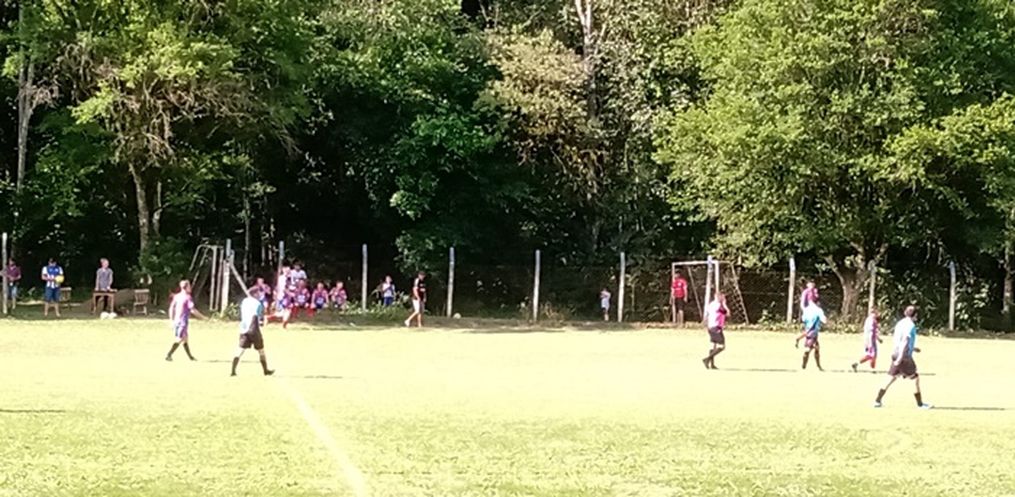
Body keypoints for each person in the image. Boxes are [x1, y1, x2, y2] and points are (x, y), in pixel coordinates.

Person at [874, 306, 932, 409]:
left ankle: (877, 401)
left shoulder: (900, 323)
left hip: (895, 353)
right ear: (915, 315)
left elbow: (899, 340)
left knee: (891, 377)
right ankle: (920, 404)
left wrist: (912, 348)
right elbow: (905, 340)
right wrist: (901, 357)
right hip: (904, 356)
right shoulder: (910, 325)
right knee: (915, 378)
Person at [231, 285, 274, 377]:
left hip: (244, 328)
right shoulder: (257, 303)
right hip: (254, 328)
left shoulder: (244, 301)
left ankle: (233, 371)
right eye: (258, 293)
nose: (260, 294)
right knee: (261, 350)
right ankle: (265, 370)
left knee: (240, 350)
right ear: (255, 294)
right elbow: (258, 315)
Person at [165, 280, 205, 361]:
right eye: (189, 286)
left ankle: (190, 357)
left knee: (185, 339)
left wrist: (171, 320)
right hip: (182, 322)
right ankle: (169, 355)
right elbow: (192, 310)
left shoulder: (177, 296)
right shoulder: (187, 297)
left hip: (177, 321)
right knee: (179, 339)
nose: (190, 288)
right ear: (186, 287)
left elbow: (171, 308)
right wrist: (202, 317)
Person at [795, 301, 827, 371]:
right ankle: (805, 366)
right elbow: (824, 320)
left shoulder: (809, 311)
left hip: (813, 333)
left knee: (816, 349)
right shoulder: (818, 311)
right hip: (812, 334)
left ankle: (817, 366)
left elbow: (804, 321)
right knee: (809, 350)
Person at [702, 293, 728, 369]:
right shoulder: (718, 305)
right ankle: (706, 359)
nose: (724, 299)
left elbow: (707, 315)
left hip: (711, 327)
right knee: (722, 346)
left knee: (713, 346)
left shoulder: (711, 304)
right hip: (716, 327)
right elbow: (727, 313)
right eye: (723, 297)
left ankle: (712, 364)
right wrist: (724, 304)